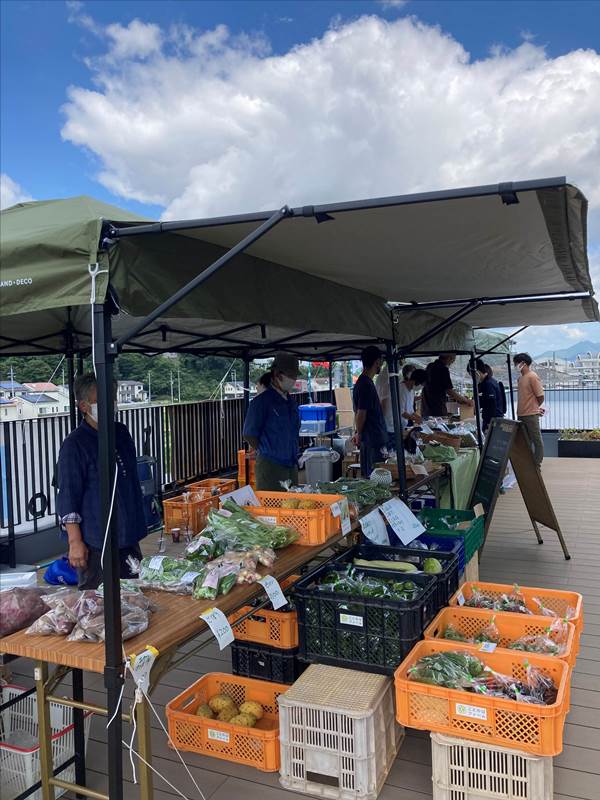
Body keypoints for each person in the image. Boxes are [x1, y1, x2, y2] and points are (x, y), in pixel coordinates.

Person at [56, 374, 147, 590]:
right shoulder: (74, 444)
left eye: (112, 397)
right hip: (96, 539)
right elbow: (68, 495)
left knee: (135, 595)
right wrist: (75, 542)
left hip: (127, 533)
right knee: (97, 601)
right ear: (84, 406)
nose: (110, 403)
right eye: (102, 399)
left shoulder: (121, 432)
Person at [243, 352, 301, 490]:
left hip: (291, 463)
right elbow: (249, 434)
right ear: (277, 375)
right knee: (272, 501)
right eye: (290, 375)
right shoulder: (261, 402)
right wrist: (265, 450)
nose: (293, 379)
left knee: (294, 501)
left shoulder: (291, 402)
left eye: (295, 376)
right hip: (270, 465)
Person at [353, 346, 388, 477]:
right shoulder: (365, 384)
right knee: (374, 477)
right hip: (372, 440)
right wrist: (359, 433)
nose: (381, 365)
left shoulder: (365, 382)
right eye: (381, 362)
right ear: (377, 362)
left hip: (373, 438)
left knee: (375, 475)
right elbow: (361, 414)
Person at [513, 352, 545, 466]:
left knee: (536, 440)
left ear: (523, 363)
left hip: (531, 414)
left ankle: (536, 464)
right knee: (525, 441)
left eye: (516, 363)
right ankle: (528, 463)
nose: (515, 366)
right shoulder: (520, 378)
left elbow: (540, 396)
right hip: (521, 414)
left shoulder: (532, 376)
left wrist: (534, 407)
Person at [471, 358, 505, 433]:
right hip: (489, 418)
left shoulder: (488, 383)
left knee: (491, 437)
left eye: (472, 374)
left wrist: (490, 422)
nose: (472, 377)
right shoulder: (483, 383)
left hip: (493, 419)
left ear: (477, 372)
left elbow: (491, 402)